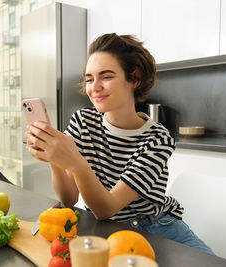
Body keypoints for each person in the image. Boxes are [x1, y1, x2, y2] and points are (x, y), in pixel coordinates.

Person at [24, 33, 213, 254]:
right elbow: (69, 198)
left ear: (134, 79)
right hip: (105, 229)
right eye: (89, 79)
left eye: (106, 77)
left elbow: (108, 208)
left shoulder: (158, 140)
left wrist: (75, 162)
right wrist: (53, 158)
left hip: (156, 228)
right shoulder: (82, 122)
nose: (94, 87)